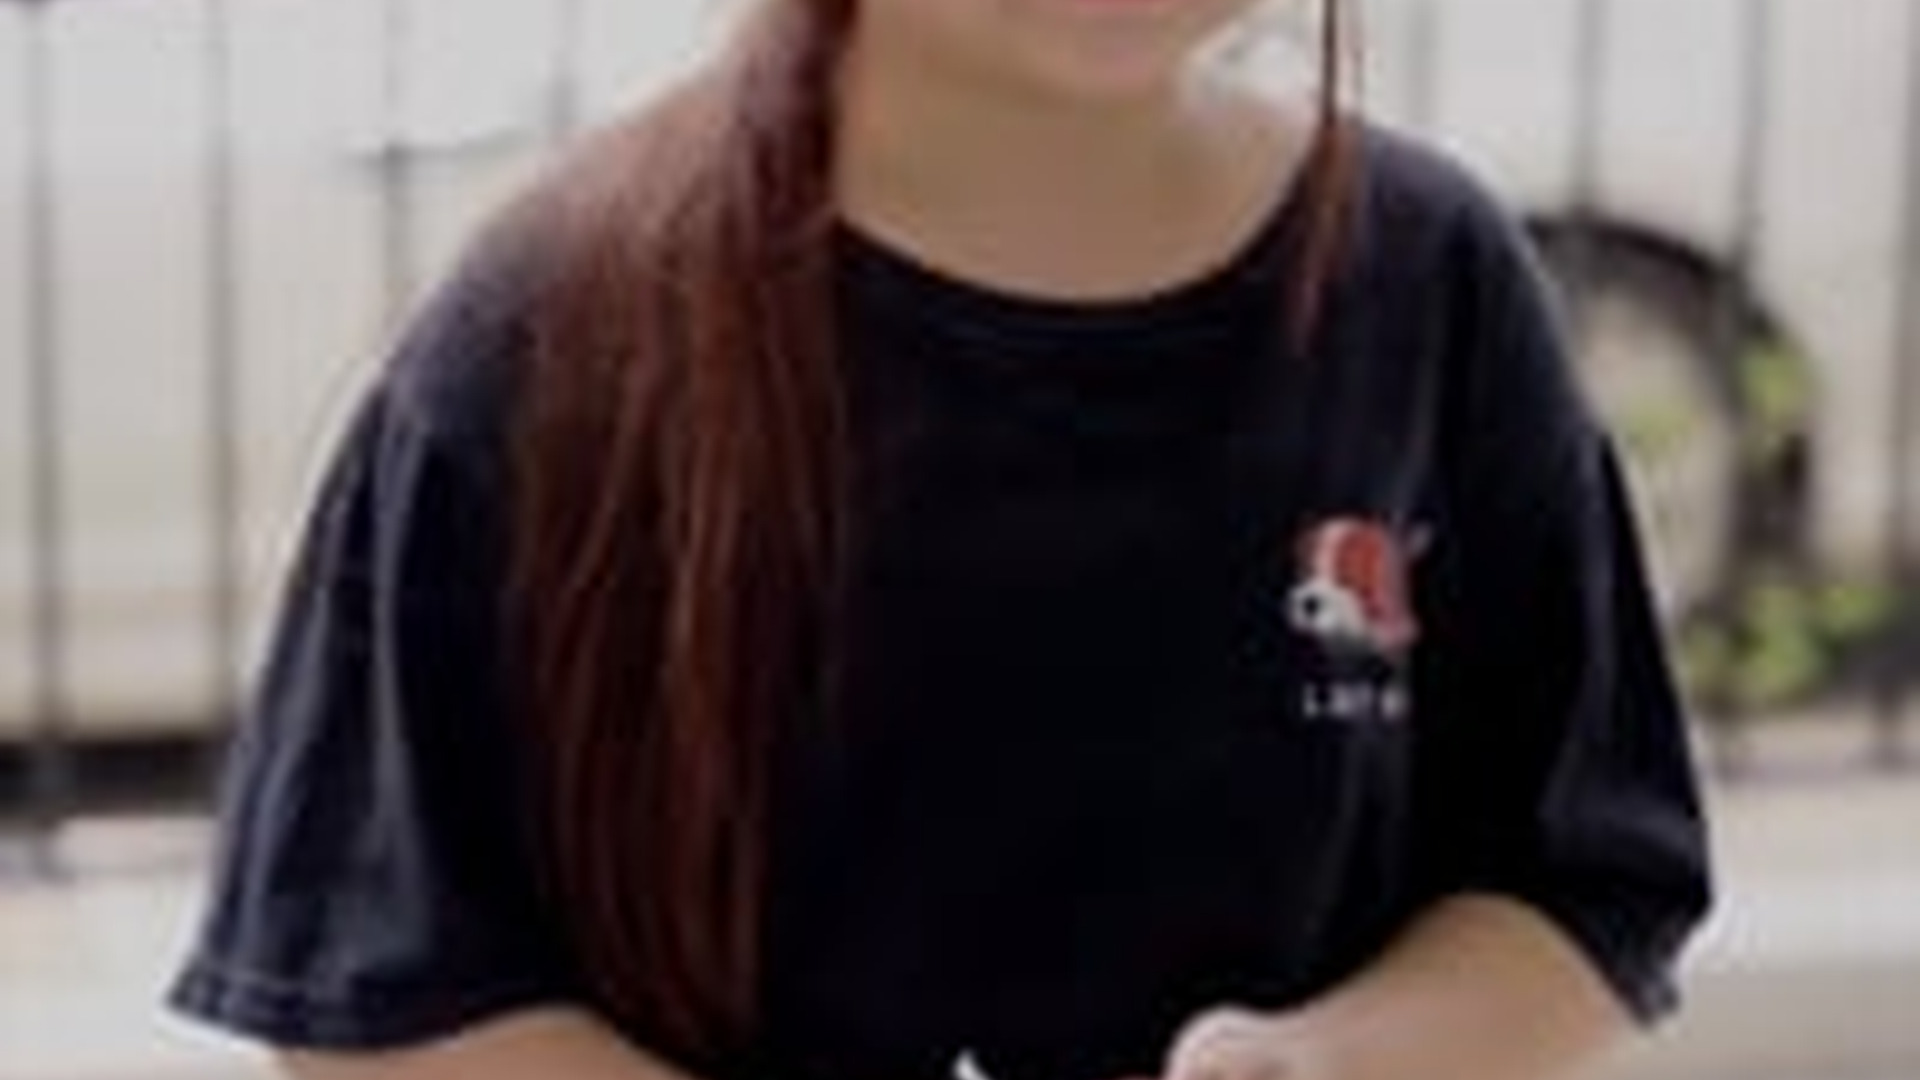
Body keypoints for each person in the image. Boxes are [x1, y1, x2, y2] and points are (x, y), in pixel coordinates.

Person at [169, 1, 1713, 1079]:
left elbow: (1584, 878)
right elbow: (383, 992)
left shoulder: (1429, 280)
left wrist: (1321, 1061)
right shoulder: (557, 334)